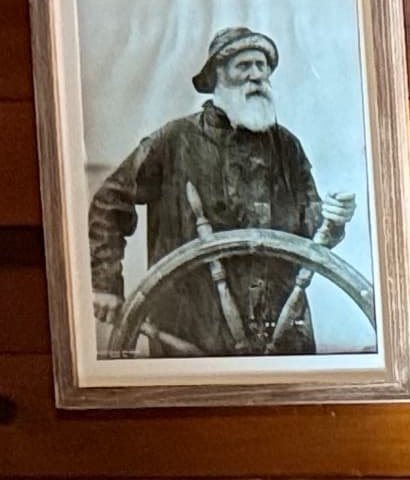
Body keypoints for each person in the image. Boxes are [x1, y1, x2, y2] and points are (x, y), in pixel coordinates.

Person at [82, 25, 357, 356]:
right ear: (216, 77)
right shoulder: (175, 140)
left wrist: (333, 217)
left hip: (281, 332)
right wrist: (105, 283)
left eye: (262, 66)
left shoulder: (287, 147)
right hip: (192, 328)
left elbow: (310, 231)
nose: (257, 75)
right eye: (244, 66)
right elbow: (110, 202)